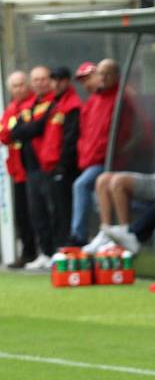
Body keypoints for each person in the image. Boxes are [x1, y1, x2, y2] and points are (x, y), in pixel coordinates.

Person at [69, 58, 133, 246]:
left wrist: (117, 153)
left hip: (109, 161)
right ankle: (105, 232)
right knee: (93, 190)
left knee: (82, 185)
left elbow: (129, 132)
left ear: (116, 76)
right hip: (91, 160)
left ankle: (80, 236)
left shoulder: (122, 97)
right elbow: (86, 132)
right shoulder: (94, 99)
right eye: (101, 74)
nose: (103, 78)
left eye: (107, 74)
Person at [10, 66, 55, 271]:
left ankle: (53, 252)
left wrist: (23, 131)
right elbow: (10, 133)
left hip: (48, 164)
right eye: (35, 79)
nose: (39, 83)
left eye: (42, 79)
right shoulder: (30, 105)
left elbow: (35, 128)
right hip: (28, 168)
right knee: (35, 212)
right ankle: (44, 252)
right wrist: (23, 131)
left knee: (50, 210)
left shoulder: (52, 102)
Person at [38, 67, 82, 248]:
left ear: (67, 81)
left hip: (64, 168)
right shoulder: (55, 104)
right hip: (51, 166)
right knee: (55, 209)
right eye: (53, 80)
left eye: (59, 80)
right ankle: (58, 247)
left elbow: (70, 139)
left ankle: (67, 246)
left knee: (64, 209)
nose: (55, 84)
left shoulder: (72, 104)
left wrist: (62, 166)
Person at [0, 70, 37, 268]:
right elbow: (4, 135)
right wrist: (15, 133)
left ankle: (43, 251)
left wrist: (15, 133)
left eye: (22, 84)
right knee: (22, 213)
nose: (19, 88)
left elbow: (23, 132)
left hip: (32, 166)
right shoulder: (11, 108)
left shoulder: (33, 104)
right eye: (15, 86)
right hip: (17, 170)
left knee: (36, 212)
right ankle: (28, 252)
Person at [82, 171, 155, 254]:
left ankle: (126, 235)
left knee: (118, 182)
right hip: (153, 174)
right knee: (103, 180)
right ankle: (106, 233)